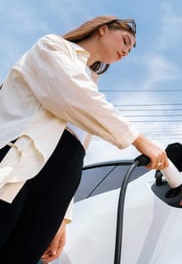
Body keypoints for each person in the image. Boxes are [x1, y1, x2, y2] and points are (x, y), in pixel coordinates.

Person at [0, 15, 170, 263]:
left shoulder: (92, 86)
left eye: (131, 49)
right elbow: (70, 94)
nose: (126, 50)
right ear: (103, 29)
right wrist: (138, 139)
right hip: (20, 163)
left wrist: (62, 219)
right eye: (125, 40)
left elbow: (75, 156)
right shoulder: (52, 47)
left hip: (60, 182)